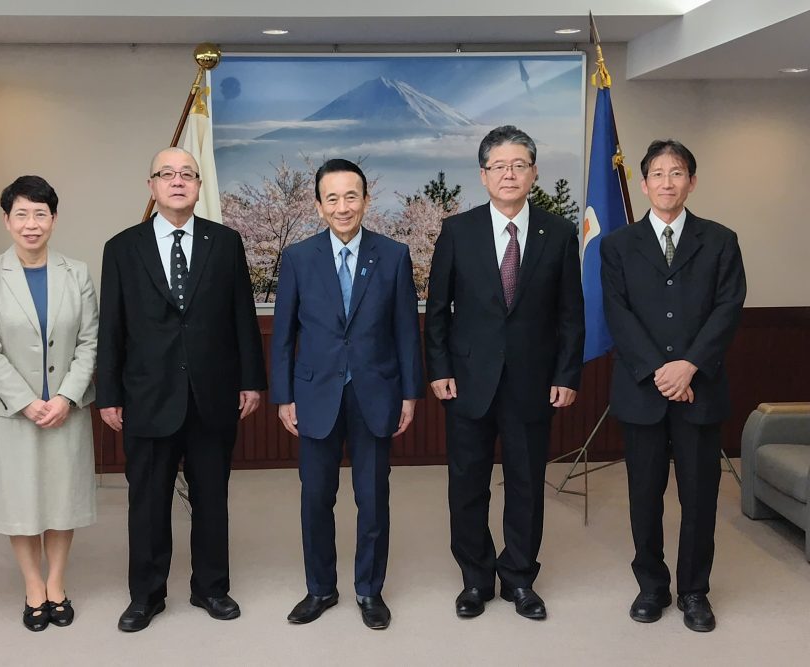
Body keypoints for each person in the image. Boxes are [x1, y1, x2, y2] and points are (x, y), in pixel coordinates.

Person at [96, 147, 266, 632]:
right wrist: (109, 394)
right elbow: (112, 327)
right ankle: (146, 596)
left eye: (186, 174)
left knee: (211, 499)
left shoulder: (226, 242)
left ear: (198, 186)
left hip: (212, 393)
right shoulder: (122, 247)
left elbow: (242, 315)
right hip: (147, 396)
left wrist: (252, 380)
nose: (177, 181)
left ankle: (211, 588)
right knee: (148, 502)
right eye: (166, 174)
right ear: (151, 185)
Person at [424, 125, 584, 621]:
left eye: (519, 165)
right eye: (499, 166)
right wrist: (439, 368)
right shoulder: (458, 230)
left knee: (526, 485)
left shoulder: (559, 232)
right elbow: (436, 309)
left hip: (533, 382)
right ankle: (475, 578)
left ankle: (519, 578)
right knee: (467, 484)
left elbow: (571, 314)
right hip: (467, 381)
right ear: (483, 175)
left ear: (533, 173)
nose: (509, 174)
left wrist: (567, 374)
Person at [270, 159, 423, 630]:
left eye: (351, 196)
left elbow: (406, 331)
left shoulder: (393, 255)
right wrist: (283, 396)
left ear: (366, 200)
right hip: (315, 395)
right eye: (332, 198)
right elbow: (283, 335)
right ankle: (320, 588)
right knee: (316, 499)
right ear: (319, 206)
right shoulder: (298, 257)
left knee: (372, 499)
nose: (342, 207)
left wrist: (410, 394)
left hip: (375, 393)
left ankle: (369, 590)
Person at [600, 140, 745, 633]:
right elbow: (617, 312)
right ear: (643, 184)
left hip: (700, 389)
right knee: (644, 495)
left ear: (692, 182)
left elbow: (728, 308)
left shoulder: (720, 240)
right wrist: (660, 372)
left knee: (699, 497)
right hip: (643, 390)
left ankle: (694, 591)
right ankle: (652, 586)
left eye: (677, 172)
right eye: (658, 174)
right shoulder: (618, 245)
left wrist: (689, 367)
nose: (667, 182)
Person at [0, 175, 98, 632]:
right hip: (11, 412)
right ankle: (33, 586)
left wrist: (65, 396)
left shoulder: (77, 273)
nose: (31, 224)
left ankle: (57, 582)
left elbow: (89, 341)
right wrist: (26, 402)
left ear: (54, 219)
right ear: (7, 221)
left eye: (40, 214)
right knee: (20, 501)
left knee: (63, 499)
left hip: (66, 409)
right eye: (21, 214)